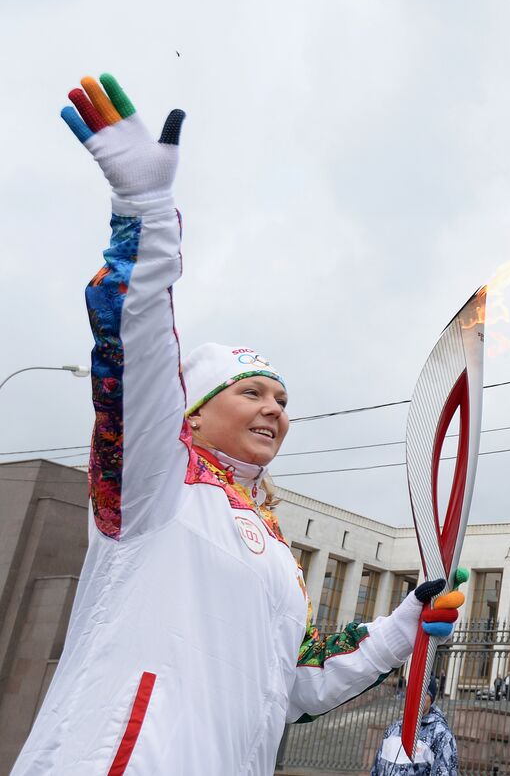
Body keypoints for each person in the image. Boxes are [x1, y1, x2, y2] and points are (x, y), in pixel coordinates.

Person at [14, 74, 467, 774]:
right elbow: (136, 359)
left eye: (281, 400)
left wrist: (409, 618)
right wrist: (147, 216)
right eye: (252, 392)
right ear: (191, 413)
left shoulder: (276, 557)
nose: (274, 410)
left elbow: (296, 683)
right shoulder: (156, 487)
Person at [371, 677, 459, 776]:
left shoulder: (441, 735)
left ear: (431, 698)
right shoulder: (394, 729)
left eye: (424, 693)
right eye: (414, 691)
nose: (417, 696)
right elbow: (377, 767)